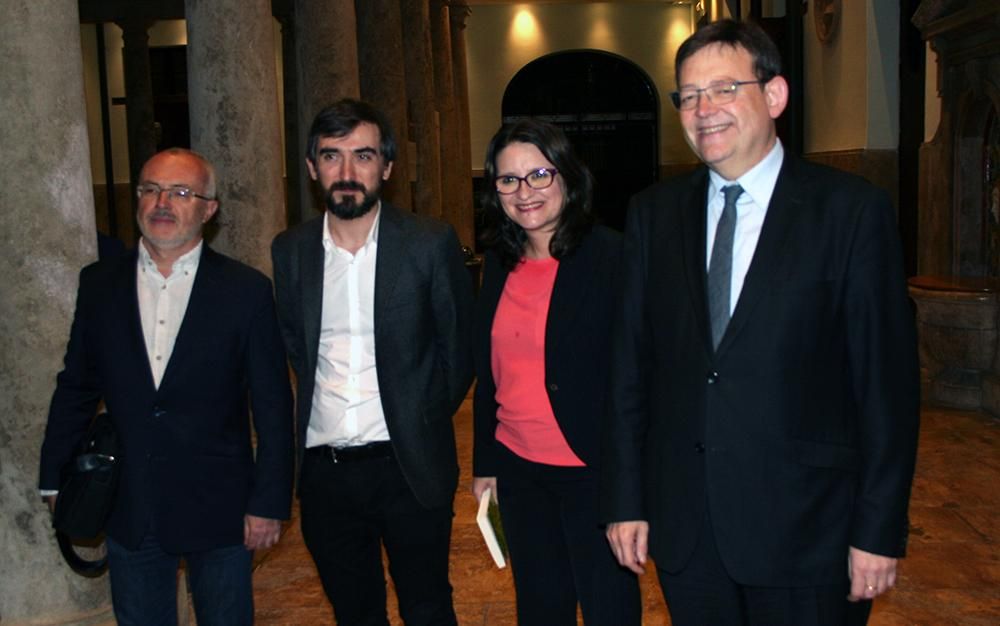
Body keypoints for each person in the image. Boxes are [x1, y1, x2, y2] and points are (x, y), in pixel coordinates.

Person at [602, 19, 920, 626]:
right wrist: (626, 500)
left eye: (723, 89)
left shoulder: (851, 213)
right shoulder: (653, 215)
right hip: (688, 531)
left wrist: (878, 528)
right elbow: (630, 371)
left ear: (774, 95)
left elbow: (886, 388)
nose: (703, 110)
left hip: (810, 529)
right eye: (688, 95)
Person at [39, 148, 295, 625]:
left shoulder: (246, 291)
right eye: (151, 190)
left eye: (181, 193)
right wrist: (54, 475)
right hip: (128, 501)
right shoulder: (99, 284)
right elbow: (75, 387)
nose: (162, 203)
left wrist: (269, 503)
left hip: (221, 505)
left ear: (208, 209)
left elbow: (274, 406)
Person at [270, 99, 474, 626]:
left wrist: (420, 413)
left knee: (427, 607)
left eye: (362, 156)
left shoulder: (429, 243)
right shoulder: (291, 252)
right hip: (326, 474)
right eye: (331, 156)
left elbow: (458, 350)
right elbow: (297, 345)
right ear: (312, 168)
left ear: (386, 167)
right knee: (354, 612)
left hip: (410, 467)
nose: (346, 172)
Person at [471, 119, 641, 625]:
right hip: (521, 473)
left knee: (610, 609)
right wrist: (486, 463)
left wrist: (632, 488)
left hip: (594, 472)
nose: (524, 192)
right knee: (541, 611)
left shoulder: (614, 256)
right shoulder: (499, 262)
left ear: (568, 176)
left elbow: (638, 380)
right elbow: (490, 370)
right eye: (508, 180)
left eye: (539, 174)